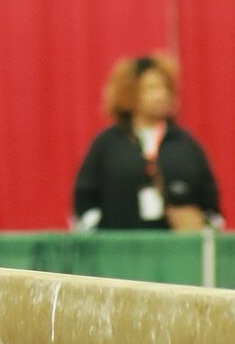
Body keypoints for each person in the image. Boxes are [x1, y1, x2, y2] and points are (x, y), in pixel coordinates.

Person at [72, 52, 221, 232]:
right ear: (129, 93)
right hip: (120, 250)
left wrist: (201, 223)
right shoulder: (106, 145)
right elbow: (84, 201)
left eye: (165, 88)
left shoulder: (187, 145)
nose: (161, 95)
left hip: (176, 252)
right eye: (151, 88)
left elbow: (211, 205)